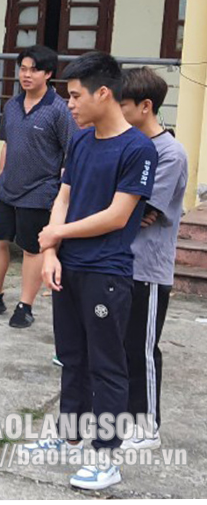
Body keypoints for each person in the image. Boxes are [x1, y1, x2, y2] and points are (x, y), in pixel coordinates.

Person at [28, 52, 158, 491]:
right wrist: (51, 251)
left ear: (104, 93)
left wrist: (54, 234)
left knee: (106, 366)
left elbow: (118, 216)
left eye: (76, 96)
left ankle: (106, 456)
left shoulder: (138, 149)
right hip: (68, 267)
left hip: (107, 272)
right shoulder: (82, 141)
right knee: (72, 358)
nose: (70, 104)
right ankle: (69, 437)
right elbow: (63, 196)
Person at [0, 45, 79, 328]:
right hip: (5, 189)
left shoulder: (59, 110)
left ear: (48, 74)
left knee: (31, 249)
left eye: (34, 70)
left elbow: (71, 154)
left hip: (39, 191)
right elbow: (7, 144)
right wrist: (0, 177)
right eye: (23, 68)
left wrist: (61, 193)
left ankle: (25, 306)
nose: (26, 75)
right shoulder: (12, 105)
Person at [119, 67, 189, 451]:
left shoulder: (170, 154)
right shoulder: (128, 146)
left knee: (141, 348)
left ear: (146, 107)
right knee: (117, 347)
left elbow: (143, 211)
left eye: (123, 104)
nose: (117, 109)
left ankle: (147, 427)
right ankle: (123, 419)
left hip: (147, 268)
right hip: (118, 263)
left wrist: (119, 208)